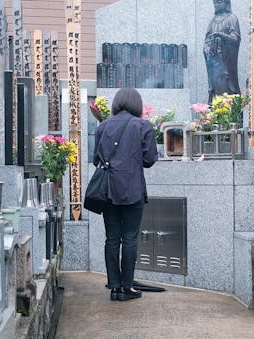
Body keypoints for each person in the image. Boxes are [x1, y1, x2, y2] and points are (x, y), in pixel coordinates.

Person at [93, 88, 158, 301]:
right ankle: (127, 287)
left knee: (112, 238)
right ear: (137, 105)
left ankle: (114, 286)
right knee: (129, 238)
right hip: (133, 190)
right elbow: (149, 160)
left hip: (108, 190)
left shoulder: (103, 126)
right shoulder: (143, 126)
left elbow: (96, 160)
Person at [203, 0, 241, 103]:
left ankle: (228, 111)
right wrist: (207, 49)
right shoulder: (212, 21)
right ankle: (216, 112)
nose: (216, 4)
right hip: (214, 63)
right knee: (215, 89)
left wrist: (221, 35)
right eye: (214, 2)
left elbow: (235, 39)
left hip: (226, 63)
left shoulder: (232, 19)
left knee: (226, 86)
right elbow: (207, 40)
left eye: (219, 2)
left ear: (226, 3)